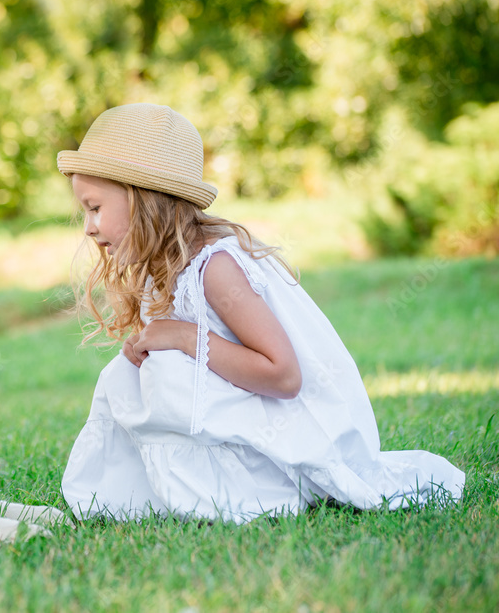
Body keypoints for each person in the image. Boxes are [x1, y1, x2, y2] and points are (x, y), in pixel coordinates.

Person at [57, 103, 465, 523]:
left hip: (290, 434)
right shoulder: (162, 267)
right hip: (248, 418)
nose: (88, 227)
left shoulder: (215, 268)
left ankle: (236, 489)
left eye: (95, 208)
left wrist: (181, 339)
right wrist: (151, 345)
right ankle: (150, 486)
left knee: (169, 367)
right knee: (124, 376)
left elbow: (284, 376)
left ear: (144, 200)